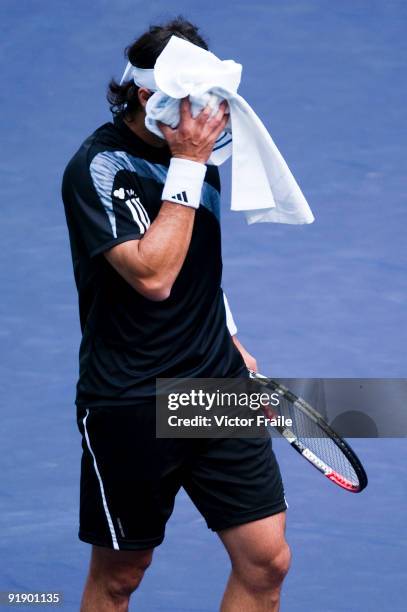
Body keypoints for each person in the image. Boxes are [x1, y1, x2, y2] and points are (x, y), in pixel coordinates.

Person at [62, 17, 290, 612]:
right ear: (147, 96)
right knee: (121, 578)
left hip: (214, 385)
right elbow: (155, 275)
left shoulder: (192, 153)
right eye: (196, 103)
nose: (209, 119)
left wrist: (229, 340)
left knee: (267, 562)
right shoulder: (99, 169)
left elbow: (195, 265)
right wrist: (188, 164)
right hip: (134, 398)